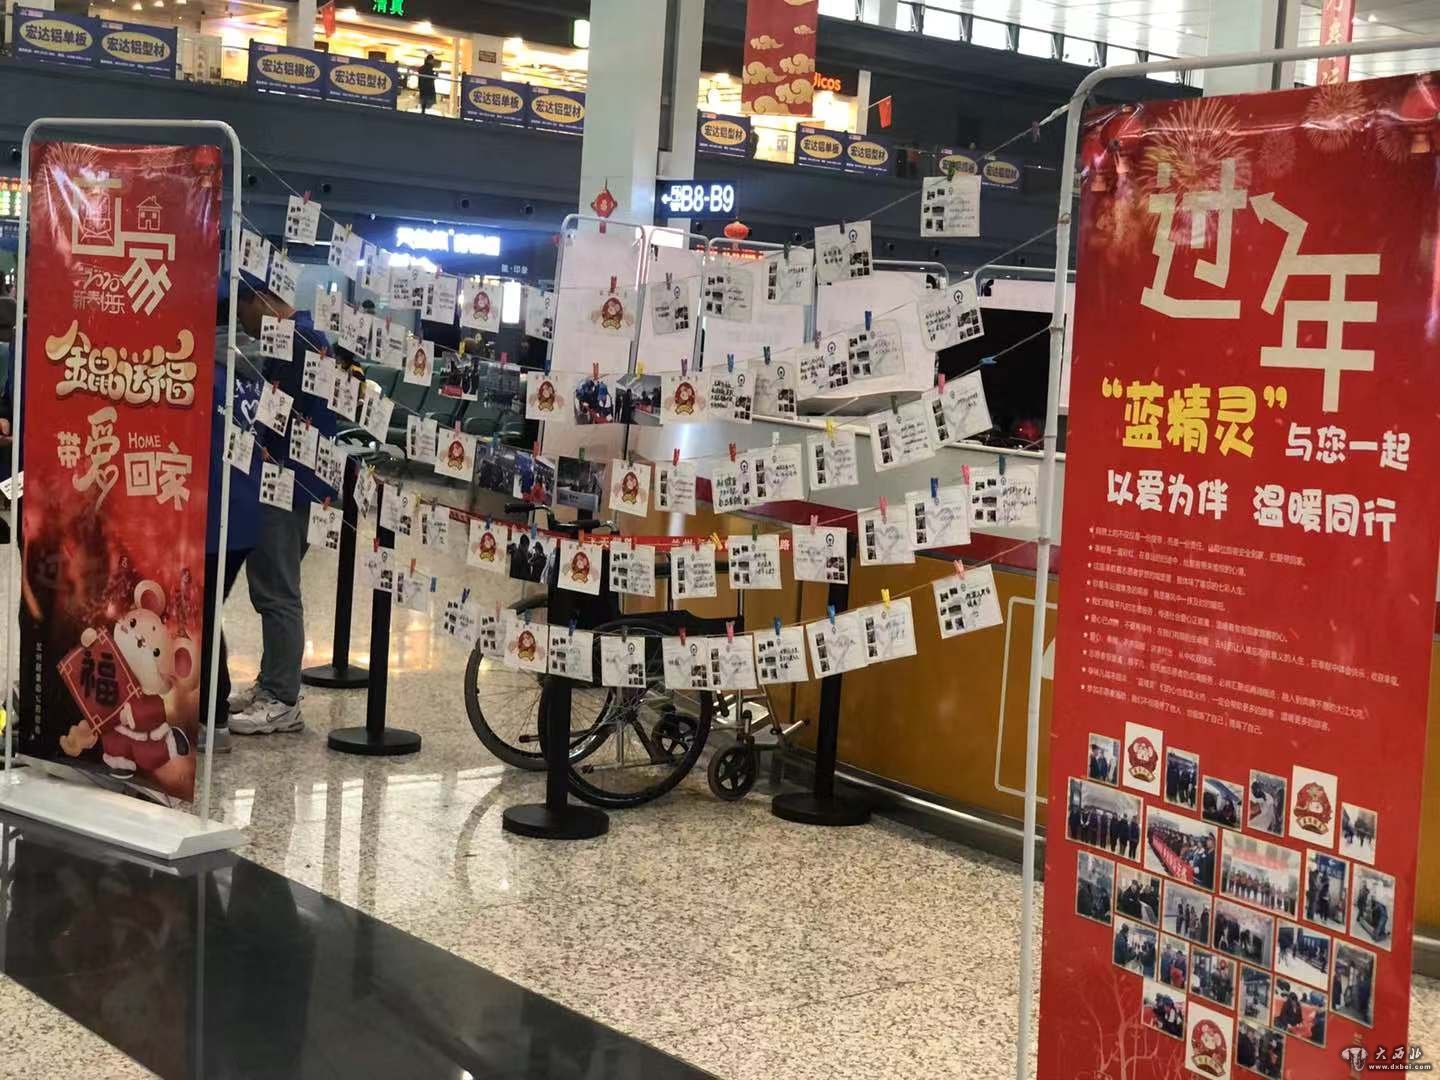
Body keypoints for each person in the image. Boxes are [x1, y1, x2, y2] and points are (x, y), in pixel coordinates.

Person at [218, 275, 337, 737]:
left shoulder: (296, 341)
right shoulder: (308, 335)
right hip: (296, 480)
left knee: (277, 590)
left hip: (288, 483)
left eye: (243, 309)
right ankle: (271, 683)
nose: (243, 321)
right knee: (275, 585)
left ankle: (282, 700)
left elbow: (277, 417)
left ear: (262, 299)